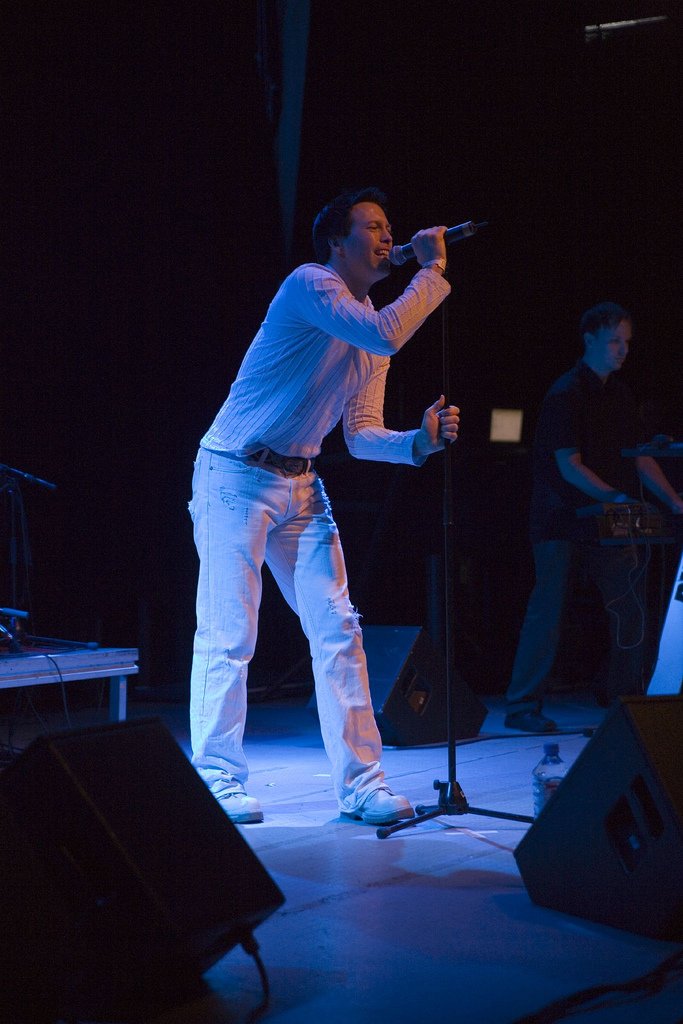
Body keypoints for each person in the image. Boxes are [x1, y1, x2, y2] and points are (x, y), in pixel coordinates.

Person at [189, 186, 459, 822]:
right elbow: (389, 335)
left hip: (302, 484)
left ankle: (363, 785)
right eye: (374, 226)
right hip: (234, 474)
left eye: (390, 227)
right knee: (230, 631)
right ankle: (217, 778)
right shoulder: (311, 284)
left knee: (339, 629)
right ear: (337, 242)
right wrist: (431, 271)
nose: (388, 237)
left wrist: (417, 443)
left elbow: (361, 434)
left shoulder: (367, 324)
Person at [504, 301, 683, 732]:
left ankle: (626, 702)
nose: (623, 350)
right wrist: (617, 497)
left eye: (627, 342)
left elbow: (640, 458)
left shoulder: (620, 395)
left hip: (606, 519)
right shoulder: (565, 394)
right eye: (614, 341)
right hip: (561, 519)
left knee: (629, 607)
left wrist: (675, 502)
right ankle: (522, 705)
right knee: (548, 613)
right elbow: (570, 466)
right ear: (590, 340)